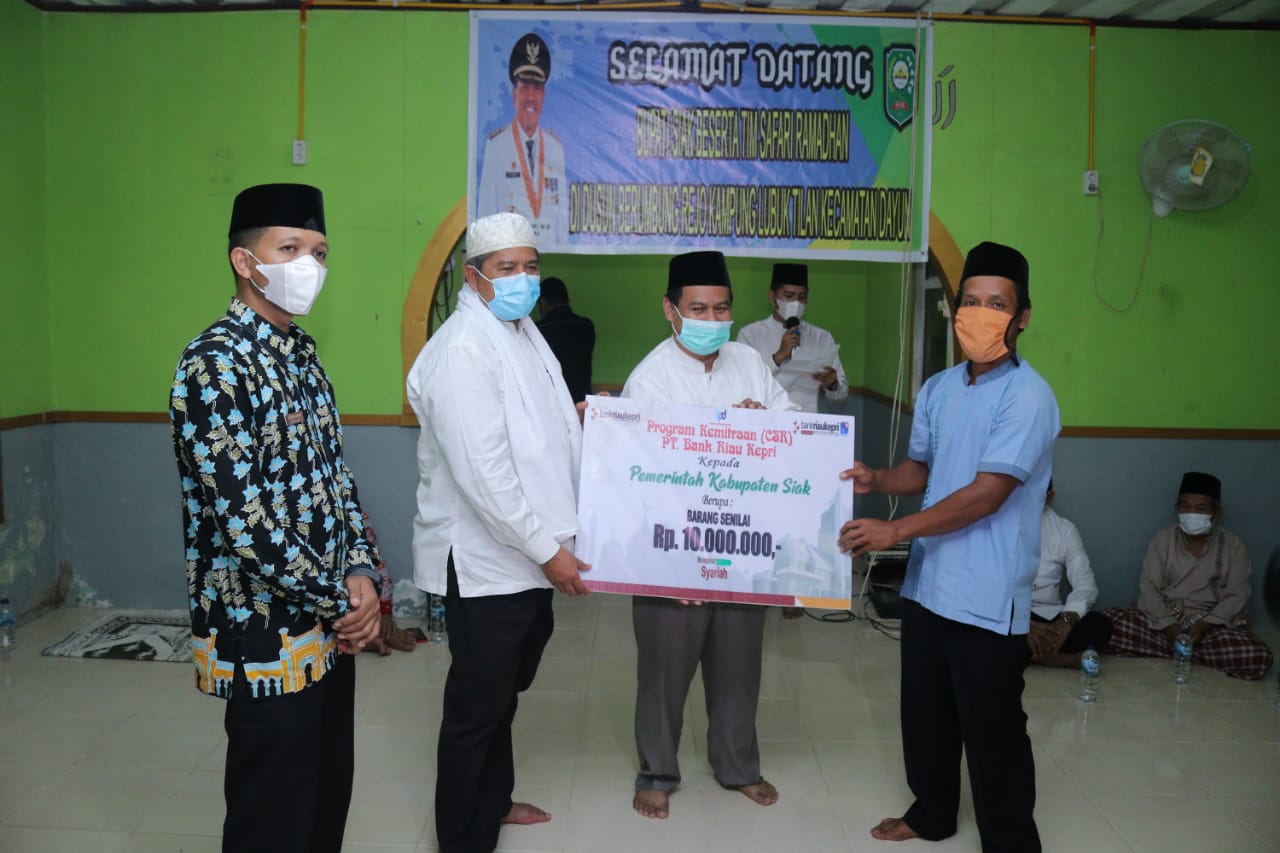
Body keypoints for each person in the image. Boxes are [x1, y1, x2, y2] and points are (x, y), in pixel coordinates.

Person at [169, 183, 382, 853]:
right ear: (245, 260)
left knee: (325, 802)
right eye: (289, 248)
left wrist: (362, 572)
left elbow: (338, 479)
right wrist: (342, 602)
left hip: (330, 634)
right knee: (271, 821)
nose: (308, 265)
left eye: (318, 251)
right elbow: (247, 525)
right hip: (262, 637)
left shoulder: (305, 358)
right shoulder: (214, 365)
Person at [838, 241, 1059, 851]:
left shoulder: (1028, 397)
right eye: (970, 301)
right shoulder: (938, 388)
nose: (980, 314)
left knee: (993, 730)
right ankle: (932, 813)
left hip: (988, 595)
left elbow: (987, 495)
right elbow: (922, 469)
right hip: (929, 583)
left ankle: (1010, 842)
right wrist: (880, 481)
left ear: (1023, 316)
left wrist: (894, 531)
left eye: (997, 304)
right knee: (926, 714)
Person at [406, 211, 590, 852]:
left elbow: (535, 423)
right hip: (488, 560)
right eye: (506, 268)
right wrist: (548, 552)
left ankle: (495, 801)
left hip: (527, 554)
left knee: (501, 695)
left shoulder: (518, 330)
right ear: (474, 276)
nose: (522, 279)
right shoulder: (463, 347)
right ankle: (461, 837)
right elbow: (484, 475)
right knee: (477, 708)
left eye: (530, 266)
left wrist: (580, 420)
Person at [623, 250, 798, 821]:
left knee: (739, 667)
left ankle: (738, 766)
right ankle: (657, 771)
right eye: (698, 308)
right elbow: (633, 476)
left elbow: (793, 431)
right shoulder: (650, 378)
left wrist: (763, 422)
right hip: (672, 550)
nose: (712, 319)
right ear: (670, 310)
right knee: (664, 670)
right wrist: (670, 567)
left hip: (740, 546)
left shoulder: (749, 361)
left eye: (721, 308)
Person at [1104, 472, 1273, 680]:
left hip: (1210, 627)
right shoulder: (1163, 540)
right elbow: (1149, 589)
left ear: (1216, 512)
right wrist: (1168, 625)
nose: (1191, 513)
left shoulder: (1233, 546)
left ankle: (1179, 651)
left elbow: (1237, 596)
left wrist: (1205, 624)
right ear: (1177, 508)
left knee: (1257, 656)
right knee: (1103, 624)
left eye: (1200, 509)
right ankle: (1193, 654)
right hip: (1166, 621)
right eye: (1185, 506)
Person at [476, 32, 568, 245]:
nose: (531, 97)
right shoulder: (496, 146)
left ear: (544, 96)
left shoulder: (555, 148)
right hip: (509, 255)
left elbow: (562, 222)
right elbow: (486, 216)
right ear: (514, 94)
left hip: (549, 255)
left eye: (537, 88)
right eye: (525, 87)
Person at [736, 262, 848, 414]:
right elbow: (742, 384)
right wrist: (778, 356)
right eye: (788, 296)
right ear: (772, 297)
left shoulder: (822, 337)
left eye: (802, 297)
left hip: (807, 422)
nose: (796, 303)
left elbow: (840, 399)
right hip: (764, 421)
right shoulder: (750, 335)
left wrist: (832, 384)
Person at [1028, 480, 1113, 668]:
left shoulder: (1064, 529)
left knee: (1100, 625)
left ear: (1049, 497)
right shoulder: (997, 524)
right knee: (983, 631)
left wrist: (1065, 622)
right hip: (1011, 616)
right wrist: (1024, 625)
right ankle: (1057, 659)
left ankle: (1028, 654)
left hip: (1050, 618)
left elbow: (1086, 585)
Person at [536, 276, 595, 403]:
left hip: (553, 401)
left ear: (543, 303)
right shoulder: (586, 326)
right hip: (582, 401)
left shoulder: (538, 331)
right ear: (568, 300)